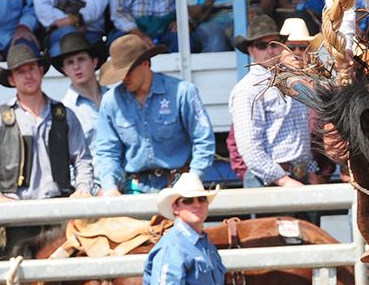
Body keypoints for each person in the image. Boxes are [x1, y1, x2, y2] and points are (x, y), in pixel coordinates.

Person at [0, 42, 94, 201]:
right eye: (20, 72)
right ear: (11, 79)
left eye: (32, 68)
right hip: (13, 212)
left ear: (41, 71)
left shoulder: (64, 115)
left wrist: (83, 189)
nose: (28, 76)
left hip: (60, 206)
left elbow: (82, 160)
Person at [94, 33, 215, 195]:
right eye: (120, 73)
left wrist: (194, 177)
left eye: (128, 71)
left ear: (146, 64)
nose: (124, 78)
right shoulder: (111, 101)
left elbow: (203, 139)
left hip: (178, 186)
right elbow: (107, 151)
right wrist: (110, 187)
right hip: (133, 188)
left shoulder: (182, 92)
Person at [228, 17, 315, 188]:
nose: (270, 50)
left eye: (275, 44)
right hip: (269, 180)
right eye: (262, 45)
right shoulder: (248, 89)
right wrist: (282, 179)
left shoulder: (292, 81)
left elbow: (302, 134)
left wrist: (310, 170)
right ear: (251, 50)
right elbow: (250, 147)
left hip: (297, 176)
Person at [51, 31, 106, 150]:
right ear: (64, 70)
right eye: (70, 62)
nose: (76, 67)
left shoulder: (115, 97)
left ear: (94, 62)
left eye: (81, 59)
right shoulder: (65, 110)